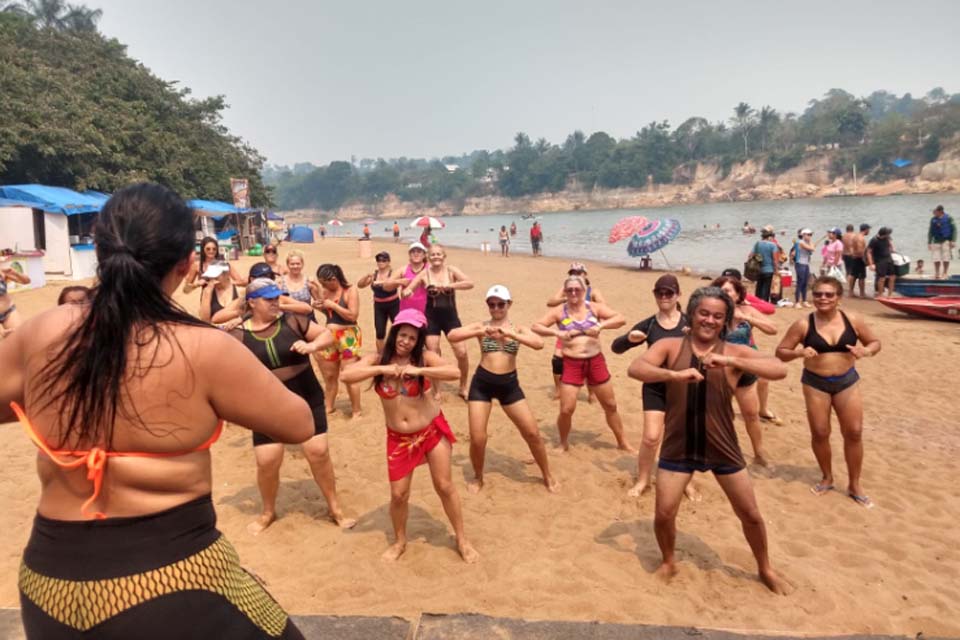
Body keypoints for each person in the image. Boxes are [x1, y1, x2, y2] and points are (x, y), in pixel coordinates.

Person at [0, 183, 309, 638]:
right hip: (172, 577)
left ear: (101, 253)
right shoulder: (202, 348)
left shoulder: (44, 330)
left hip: (50, 581)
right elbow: (297, 422)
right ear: (186, 266)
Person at [627, 286, 792, 595]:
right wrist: (674, 376)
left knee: (751, 515)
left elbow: (779, 368)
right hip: (679, 445)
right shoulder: (671, 346)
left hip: (723, 447)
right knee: (663, 513)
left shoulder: (733, 352)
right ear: (692, 314)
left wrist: (731, 363)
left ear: (726, 320)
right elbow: (636, 367)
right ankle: (668, 561)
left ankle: (765, 568)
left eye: (718, 316)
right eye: (704, 313)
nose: (710, 320)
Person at [340, 309, 479, 564]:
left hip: (430, 430)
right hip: (398, 438)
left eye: (412, 338)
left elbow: (454, 372)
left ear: (418, 341)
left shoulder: (424, 358)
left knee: (444, 486)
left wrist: (419, 372)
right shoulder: (377, 359)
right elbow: (346, 375)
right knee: (398, 495)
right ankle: (400, 540)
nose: (406, 341)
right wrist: (383, 367)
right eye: (402, 335)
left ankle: (462, 539)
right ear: (395, 334)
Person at [228, 278, 356, 534]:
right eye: (269, 299)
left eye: (277, 298)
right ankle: (267, 512)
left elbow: (329, 334)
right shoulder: (239, 333)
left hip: (304, 393)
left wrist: (312, 346)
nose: (276, 303)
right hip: (267, 402)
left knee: (318, 453)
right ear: (252, 302)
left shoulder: (292, 320)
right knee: (267, 460)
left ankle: (335, 508)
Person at [776, 276, 881, 508]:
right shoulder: (803, 324)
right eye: (818, 294)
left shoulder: (852, 320)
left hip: (846, 381)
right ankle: (827, 477)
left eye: (829, 295)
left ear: (838, 298)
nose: (823, 298)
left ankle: (854, 484)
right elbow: (781, 351)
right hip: (815, 383)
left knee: (854, 432)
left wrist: (866, 351)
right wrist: (798, 354)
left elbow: (875, 342)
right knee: (820, 432)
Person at [448, 285, 558, 493]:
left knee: (532, 433)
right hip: (482, 384)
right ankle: (478, 477)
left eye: (501, 304)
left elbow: (538, 343)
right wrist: (481, 331)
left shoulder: (517, 329)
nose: (496, 308)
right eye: (492, 304)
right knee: (478, 437)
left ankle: (547, 475)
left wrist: (510, 334)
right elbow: (453, 335)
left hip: (509, 385)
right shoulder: (483, 326)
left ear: (509, 304)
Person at [611, 274, 698, 500]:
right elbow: (616, 348)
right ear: (654, 295)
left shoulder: (690, 323)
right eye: (660, 292)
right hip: (655, 386)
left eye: (669, 292)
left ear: (678, 294)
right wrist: (629, 339)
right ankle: (643, 480)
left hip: (683, 388)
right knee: (651, 437)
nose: (664, 297)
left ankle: (687, 482)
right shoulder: (649, 324)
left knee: (682, 437)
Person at [532, 275, 634, 453]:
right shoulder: (559, 311)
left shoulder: (594, 308)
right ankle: (563, 443)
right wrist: (557, 334)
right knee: (566, 409)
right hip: (571, 363)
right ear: (565, 292)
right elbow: (536, 326)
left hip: (595, 361)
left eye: (577, 289)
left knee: (610, 405)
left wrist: (601, 327)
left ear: (584, 291)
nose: (573, 293)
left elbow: (620, 318)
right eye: (569, 290)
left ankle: (622, 442)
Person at [711, 276, 780, 467]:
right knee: (722, 414)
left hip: (746, 367)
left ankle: (759, 454)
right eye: (721, 291)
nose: (725, 294)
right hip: (721, 370)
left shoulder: (747, 310)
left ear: (738, 294)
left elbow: (773, 329)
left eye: (728, 291)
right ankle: (721, 451)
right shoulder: (712, 312)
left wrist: (748, 318)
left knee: (751, 414)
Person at [402, 245, 473, 399]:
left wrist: (451, 285)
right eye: (432, 254)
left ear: (444, 256)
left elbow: (469, 283)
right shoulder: (424, 274)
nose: (435, 257)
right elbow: (409, 289)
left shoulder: (451, 271)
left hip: (451, 318)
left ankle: (463, 386)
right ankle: (437, 389)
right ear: (428, 257)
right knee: (433, 352)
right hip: (432, 318)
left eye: (438, 254)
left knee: (461, 352)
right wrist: (407, 292)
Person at [309, 263, 362, 418]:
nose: (325, 286)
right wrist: (319, 305)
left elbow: (353, 316)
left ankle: (356, 410)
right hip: (330, 335)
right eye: (322, 283)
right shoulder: (325, 292)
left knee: (349, 375)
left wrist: (333, 305)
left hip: (349, 335)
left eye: (326, 282)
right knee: (330, 375)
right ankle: (329, 406)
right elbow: (329, 314)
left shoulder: (350, 291)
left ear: (334, 279)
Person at [546, 263, 605, 400]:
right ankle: (559, 390)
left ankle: (591, 393)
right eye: (573, 273)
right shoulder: (566, 290)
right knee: (557, 361)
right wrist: (567, 297)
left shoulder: (593, 291)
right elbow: (550, 302)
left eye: (579, 272)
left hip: (587, 332)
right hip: (567, 330)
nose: (576, 275)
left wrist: (597, 324)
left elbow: (603, 308)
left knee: (588, 363)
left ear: (585, 274)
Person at [210, 262, 314, 324]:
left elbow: (307, 308)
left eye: (270, 277)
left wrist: (280, 306)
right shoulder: (245, 299)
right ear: (252, 279)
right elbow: (216, 318)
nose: (268, 280)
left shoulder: (277, 298)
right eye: (264, 277)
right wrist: (243, 311)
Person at [357, 251, 401, 353]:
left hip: (393, 304)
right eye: (379, 260)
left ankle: (399, 352)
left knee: (398, 329)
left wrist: (383, 282)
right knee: (380, 332)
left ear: (388, 262)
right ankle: (381, 355)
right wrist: (366, 277)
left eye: (384, 260)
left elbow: (396, 284)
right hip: (379, 306)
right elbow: (360, 285)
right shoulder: (374, 275)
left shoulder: (393, 274)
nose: (381, 262)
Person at [394, 241, 429, 314]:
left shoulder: (430, 269)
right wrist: (399, 282)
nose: (416, 254)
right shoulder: (403, 270)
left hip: (426, 311)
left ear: (424, 255)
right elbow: (387, 285)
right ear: (409, 255)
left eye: (419, 251)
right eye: (413, 252)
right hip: (406, 310)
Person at [0, 259, 30, 339]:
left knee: (20, 337)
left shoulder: (2, 272)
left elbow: (26, 281)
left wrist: (16, 273)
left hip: (8, 311)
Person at [749, 229, 779, 302]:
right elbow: (775, 259)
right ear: (769, 237)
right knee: (766, 287)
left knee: (759, 286)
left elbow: (750, 255)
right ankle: (764, 302)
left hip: (758, 269)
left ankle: (757, 301)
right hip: (769, 269)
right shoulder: (773, 245)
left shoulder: (757, 244)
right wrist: (776, 270)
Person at [867, 227, 896, 297]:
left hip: (889, 259)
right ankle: (880, 295)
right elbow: (869, 252)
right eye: (887, 234)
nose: (888, 235)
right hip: (880, 261)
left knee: (892, 277)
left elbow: (890, 243)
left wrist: (892, 248)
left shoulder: (887, 238)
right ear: (883, 234)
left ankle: (890, 295)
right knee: (882, 278)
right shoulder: (874, 240)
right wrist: (871, 264)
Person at [928, 205, 955, 279]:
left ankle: (945, 273)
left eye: (936, 211)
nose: (934, 212)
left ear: (940, 211)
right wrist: (929, 242)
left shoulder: (949, 218)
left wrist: (953, 240)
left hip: (946, 241)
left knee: (946, 257)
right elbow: (930, 231)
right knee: (936, 258)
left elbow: (954, 229)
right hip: (936, 241)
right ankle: (937, 273)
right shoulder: (933, 219)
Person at [791, 229, 815, 308]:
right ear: (803, 235)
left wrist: (810, 243)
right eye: (808, 235)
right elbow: (812, 249)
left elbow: (810, 251)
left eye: (810, 235)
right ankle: (797, 302)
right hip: (800, 264)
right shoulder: (800, 242)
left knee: (805, 283)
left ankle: (804, 300)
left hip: (806, 264)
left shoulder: (806, 242)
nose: (809, 236)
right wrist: (811, 244)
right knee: (800, 282)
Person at [847, 224, 870, 297]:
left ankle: (851, 292)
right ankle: (862, 293)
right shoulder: (860, 238)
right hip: (859, 259)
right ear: (866, 229)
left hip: (855, 258)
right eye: (868, 230)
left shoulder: (855, 236)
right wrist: (865, 261)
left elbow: (850, 247)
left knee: (853, 275)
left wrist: (853, 254)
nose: (869, 231)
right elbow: (860, 251)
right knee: (861, 277)